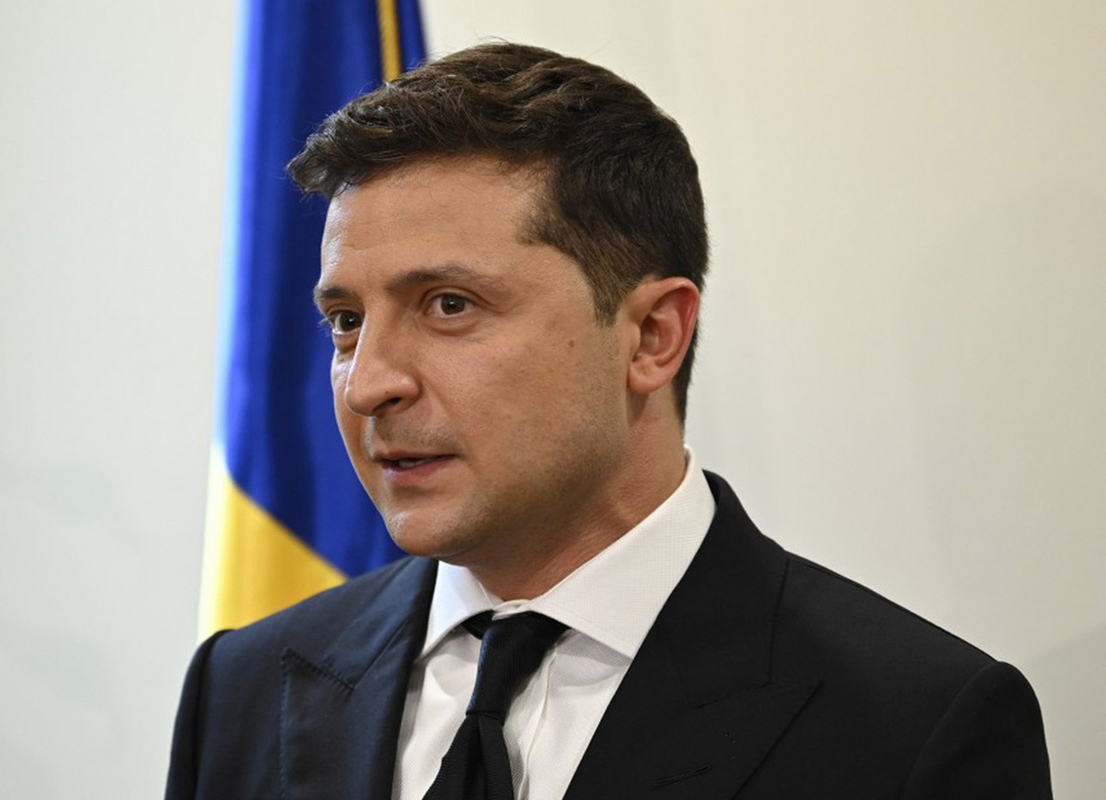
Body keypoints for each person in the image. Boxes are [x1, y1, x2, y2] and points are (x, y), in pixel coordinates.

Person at [165, 42, 1052, 800]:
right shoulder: (243, 687)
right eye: (346, 320)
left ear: (653, 336)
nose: (367, 385)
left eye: (448, 304)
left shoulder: (914, 728)